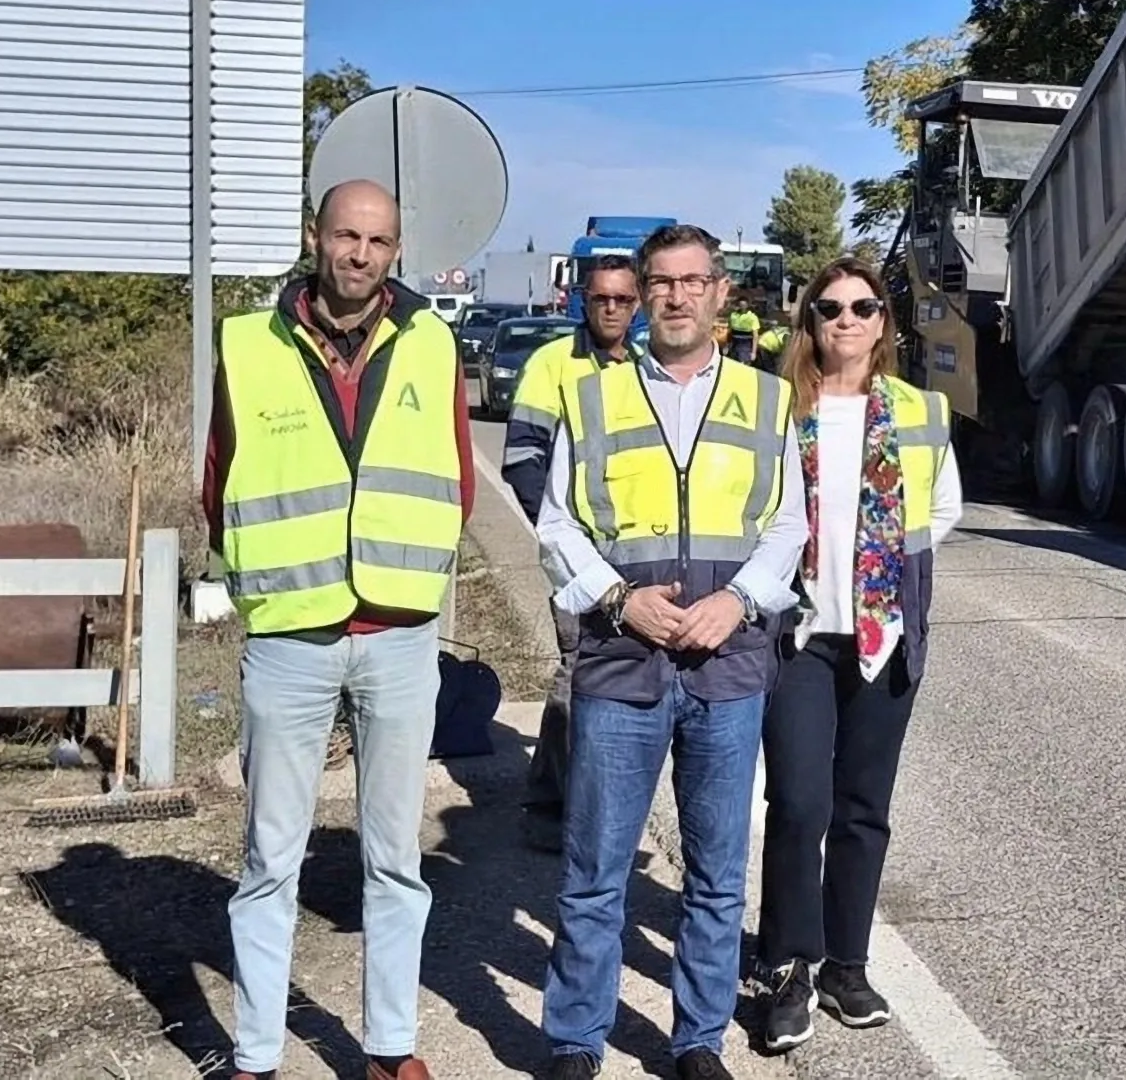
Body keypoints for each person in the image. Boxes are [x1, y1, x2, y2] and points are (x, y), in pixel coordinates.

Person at [203, 178, 474, 1080]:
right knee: (269, 859)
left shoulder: (432, 341)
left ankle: (389, 1048)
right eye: (346, 236)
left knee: (395, 858)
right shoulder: (247, 341)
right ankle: (255, 1054)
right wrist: (263, 586)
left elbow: (457, 476)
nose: (360, 254)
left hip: (399, 633)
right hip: (291, 634)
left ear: (397, 251)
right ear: (316, 237)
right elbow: (220, 479)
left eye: (379, 241)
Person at [535, 224, 808, 1080]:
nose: (678, 297)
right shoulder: (594, 400)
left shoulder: (768, 401)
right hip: (622, 664)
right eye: (662, 282)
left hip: (728, 670)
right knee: (593, 873)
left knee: (718, 877)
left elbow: (788, 524)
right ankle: (575, 1042)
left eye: (695, 282)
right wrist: (619, 599)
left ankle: (697, 1041)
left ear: (721, 292)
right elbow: (556, 524)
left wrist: (738, 601)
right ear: (641, 294)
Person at [754, 257, 962, 1052]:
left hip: (883, 635)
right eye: (830, 308)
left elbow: (945, 505)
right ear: (810, 323)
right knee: (800, 802)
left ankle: (846, 962)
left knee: (863, 808)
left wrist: (882, 570)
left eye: (863, 307)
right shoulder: (778, 410)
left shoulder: (919, 410)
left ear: (884, 324)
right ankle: (787, 967)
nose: (846, 319)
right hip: (799, 635)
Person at [500, 253, 642, 852]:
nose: (610, 308)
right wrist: (562, 534)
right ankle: (550, 805)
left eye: (622, 299)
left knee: (623, 678)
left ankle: (606, 807)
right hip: (574, 552)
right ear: (582, 300)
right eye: (599, 298)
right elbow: (522, 458)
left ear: (636, 305)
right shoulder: (551, 364)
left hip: (636, 553)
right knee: (578, 671)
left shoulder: (647, 367)